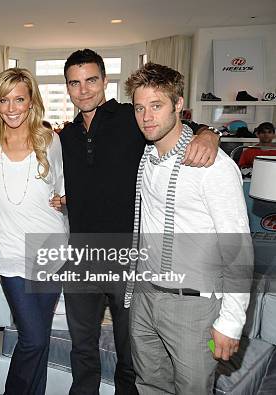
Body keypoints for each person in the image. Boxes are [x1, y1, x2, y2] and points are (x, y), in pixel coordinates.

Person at [58, 49, 220, 395]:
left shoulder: (131, 118)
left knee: (131, 355)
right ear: (67, 88)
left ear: (104, 81)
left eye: (91, 80)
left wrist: (210, 133)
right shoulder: (66, 137)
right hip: (81, 259)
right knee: (82, 348)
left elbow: (184, 127)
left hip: (129, 257)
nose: (83, 90)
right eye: (75, 83)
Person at [124, 62, 252, 394]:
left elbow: (237, 249)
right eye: (139, 108)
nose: (147, 117)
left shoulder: (213, 167)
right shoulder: (147, 156)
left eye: (157, 105)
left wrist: (231, 322)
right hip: (145, 297)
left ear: (179, 105)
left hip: (193, 307)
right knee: (148, 385)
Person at [0, 67, 67, 395]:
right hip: (13, 255)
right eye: (5, 100)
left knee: (40, 339)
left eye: (19, 99)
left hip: (51, 251)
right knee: (32, 338)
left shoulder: (49, 141)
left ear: (31, 102)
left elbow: (60, 191)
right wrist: (4, 215)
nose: (12, 107)